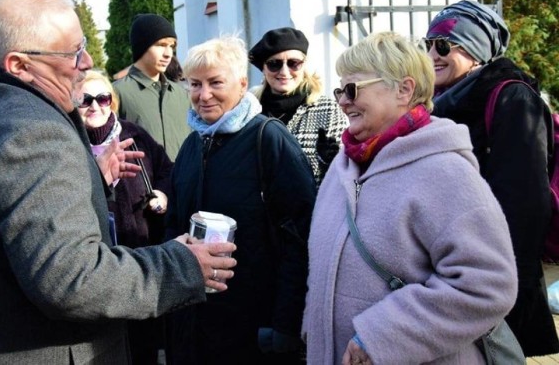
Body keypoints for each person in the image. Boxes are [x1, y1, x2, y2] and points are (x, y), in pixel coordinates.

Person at [0, 0, 237, 364]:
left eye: (83, 44)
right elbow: (72, 280)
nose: (88, 61)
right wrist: (181, 266)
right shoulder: (34, 134)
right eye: (73, 53)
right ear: (19, 65)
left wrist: (92, 179)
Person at [302, 31, 518, 364]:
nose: (342, 102)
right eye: (339, 90)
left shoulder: (444, 170)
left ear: (404, 90)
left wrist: (381, 339)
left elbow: (487, 284)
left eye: (352, 89)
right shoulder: (344, 166)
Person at [164, 35, 317, 364]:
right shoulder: (192, 145)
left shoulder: (269, 140)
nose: (203, 95)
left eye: (215, 83)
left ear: (243, 84)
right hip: (195, 324)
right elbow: (174, 227)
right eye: (195, 84)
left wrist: (285, 325)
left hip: (253, 329)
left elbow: (299, 237)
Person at [427, 0, 559, 357]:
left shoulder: (512, 97)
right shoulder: (440, 104)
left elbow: (525, 204)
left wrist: (496, 282)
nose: (432, 55)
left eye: (443, 45)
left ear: (475, 50)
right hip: (455, 266)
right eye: (427, 45)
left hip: (495, 272)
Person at [78, 69, 173, 364]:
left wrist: (162, 195)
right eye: (85, 100)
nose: (95, 106)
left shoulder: (133, 135)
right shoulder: (68, 141)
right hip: (95, 261)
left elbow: (167, 171)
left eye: (103, 98)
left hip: (140, 252)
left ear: (112, 102)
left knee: (143, 340)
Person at [249, 27, 348, 186]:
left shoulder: (328, 110)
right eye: (274, 64)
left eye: (294, 63)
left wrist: (327, 162)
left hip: (310, 208)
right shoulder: (250, 110)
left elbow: (343, 175)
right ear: (264, 68)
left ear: (304, 65)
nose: (284, 72)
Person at [113, 14, 191, 160]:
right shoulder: (117, 93)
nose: (168, 53)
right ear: (142, 46)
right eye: (161, 45)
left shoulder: (183, 95)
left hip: (183, 182)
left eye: (172, 46)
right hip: (142, 181)